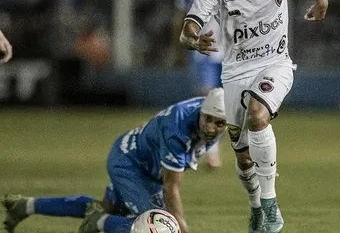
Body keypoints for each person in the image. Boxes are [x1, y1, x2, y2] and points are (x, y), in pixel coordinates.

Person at [179, 0, 328, 232]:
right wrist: (194, 40)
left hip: (276, 64)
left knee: (259, 115)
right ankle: (256, 206)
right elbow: (188, 29)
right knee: (243, 155)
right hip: (236, 72)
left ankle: (271, 206)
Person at [2, 88, 227, 233]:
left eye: (219, 124)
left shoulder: (211, 108)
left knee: (106, 207)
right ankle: (100, 222)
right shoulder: (177, 129)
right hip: (130, 164)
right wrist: (181, 226)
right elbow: (171, 186)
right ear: (201, 113)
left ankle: (26, 205)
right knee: (157, 226)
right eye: (208, 120)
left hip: (142, 165)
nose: (211, 127)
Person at [171, 0, 225, 169]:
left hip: (230, 53)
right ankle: (211, 153)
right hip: (204, 54)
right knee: (209, 102)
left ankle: (208, 147)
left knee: (229, 105)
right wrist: (178, 50)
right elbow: (179, 21)